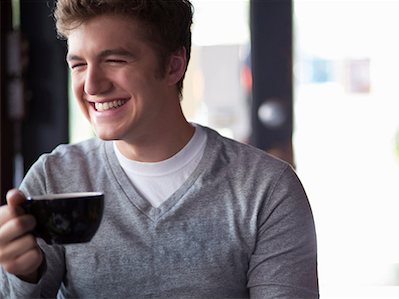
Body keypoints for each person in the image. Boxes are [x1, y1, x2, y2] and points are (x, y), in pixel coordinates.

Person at [0, 0, 319, 297]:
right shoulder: (55, 178)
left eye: (114, 60)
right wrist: (24, 274)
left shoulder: (267, 189)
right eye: (79, 65)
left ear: (174, 66)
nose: (92, 85)